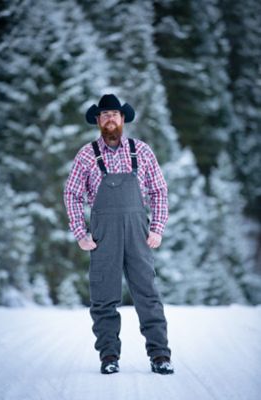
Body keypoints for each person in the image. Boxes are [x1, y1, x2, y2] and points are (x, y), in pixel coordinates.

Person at [64, 94, 174, 375]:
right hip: (103, 237)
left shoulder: (142, 151)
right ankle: (109, 356)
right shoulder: (87, 155)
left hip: (138, 235)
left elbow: (159, 191)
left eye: (115, 114)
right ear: (98, 121)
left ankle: (160, 355)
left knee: (148, 296)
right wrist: (80, 233)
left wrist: (157, 228)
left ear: (123, 119)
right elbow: (72, 194)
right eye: (105, 115)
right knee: (103, 299)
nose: (110, 119)